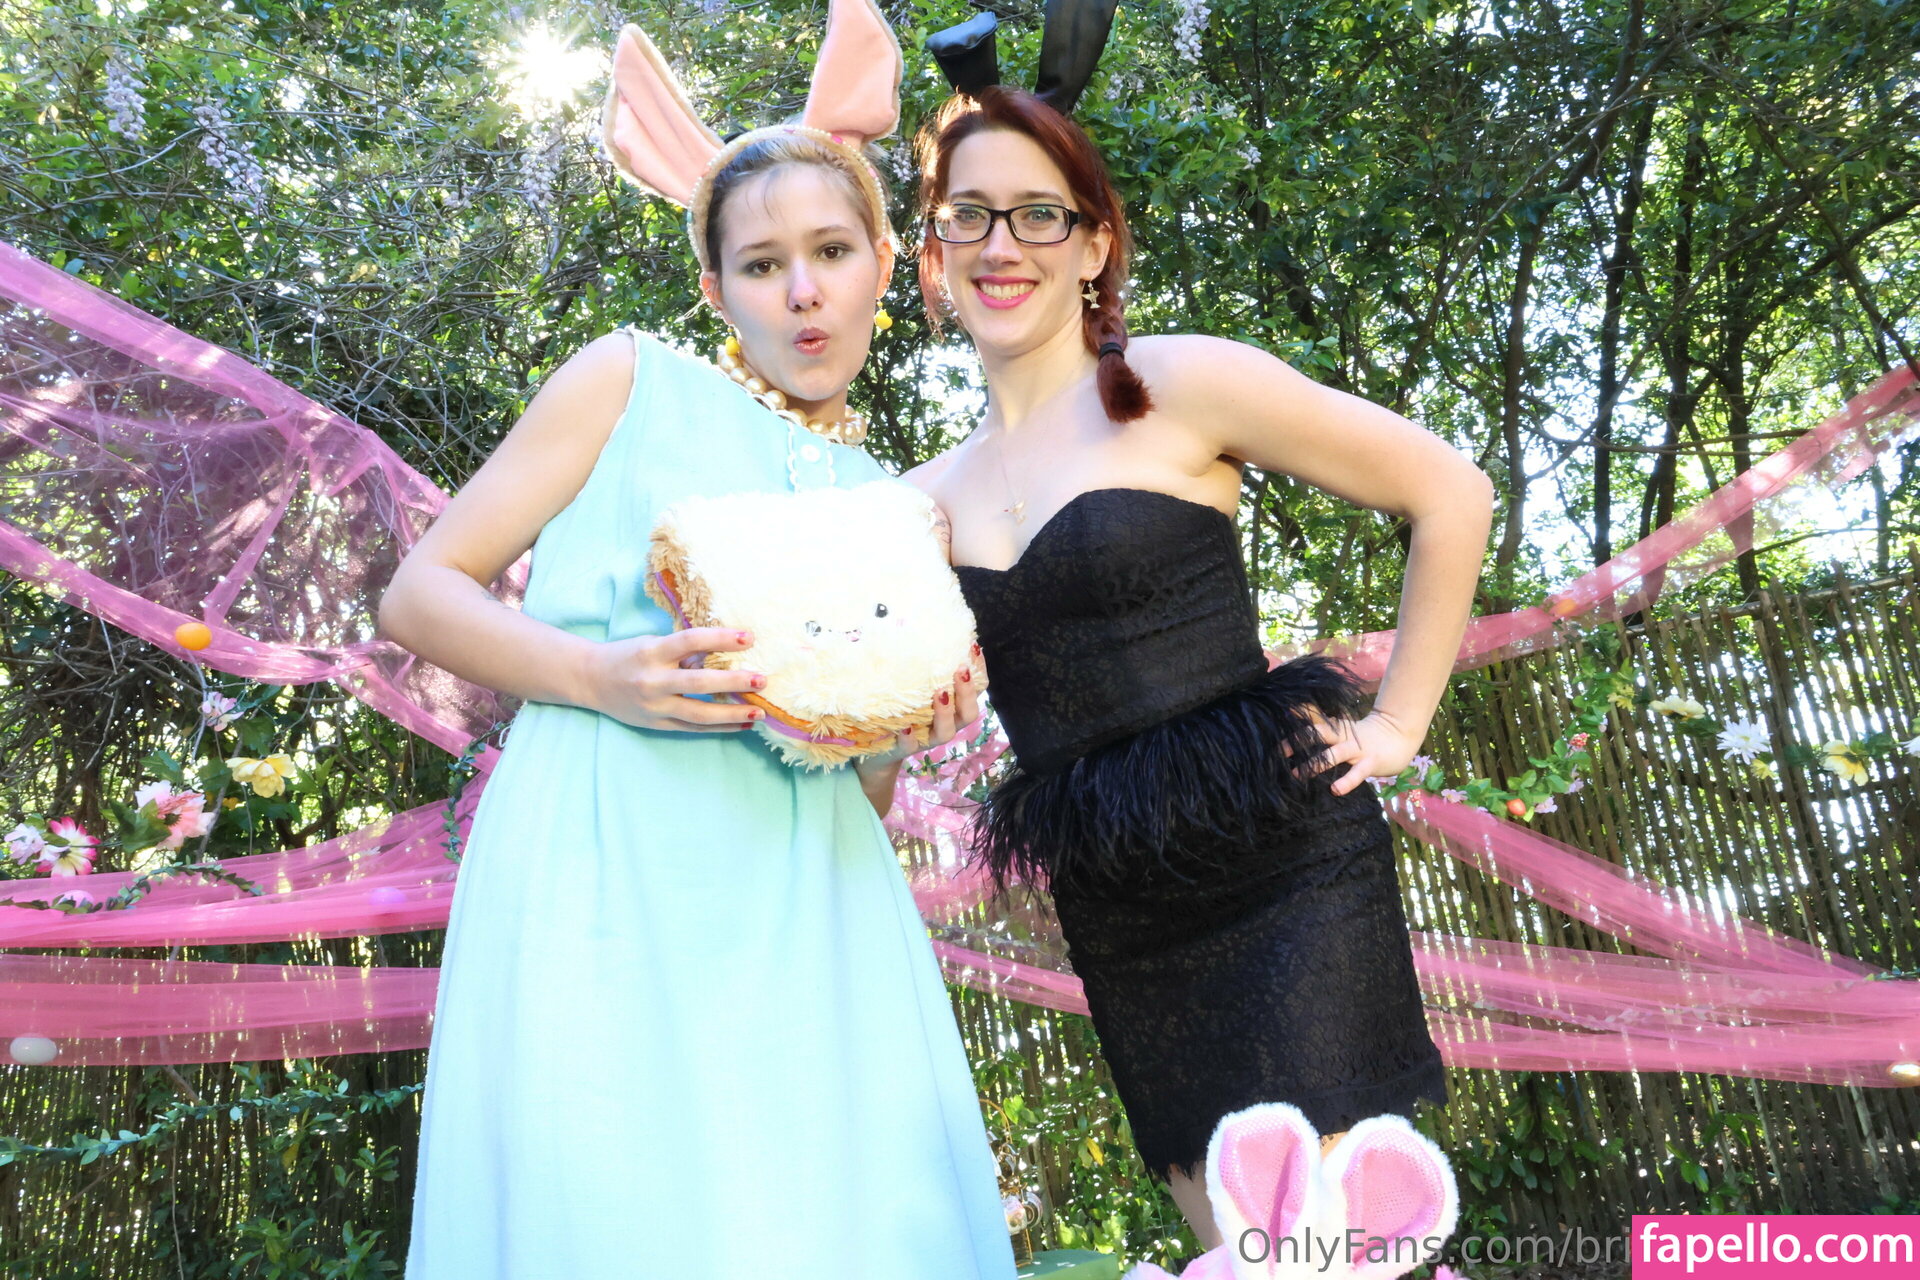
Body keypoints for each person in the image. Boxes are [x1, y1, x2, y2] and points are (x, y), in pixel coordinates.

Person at [380, 5, 1012, 1275]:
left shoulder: (896, 504)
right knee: (622, 1200)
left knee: (826, 1212)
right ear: (716, 287)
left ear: (885, 262)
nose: (803, 288)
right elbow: (419, 594)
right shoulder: (626, 379)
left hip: (809, 885)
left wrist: (903, 730)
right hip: (607, 853)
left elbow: (855, 776)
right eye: (762, 262)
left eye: (831, 250)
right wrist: (597, 674)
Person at [903, 84, 1494, 1251]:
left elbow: (1451, 492)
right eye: (969, 215)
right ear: (934, 249)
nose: (1000, 244)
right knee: (1234, 1241)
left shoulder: (1183, 383)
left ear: (1094, 244)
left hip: (1286, 867)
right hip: (1123, 912)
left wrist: (1395, 727)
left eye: (1038, 213)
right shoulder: (917, 501)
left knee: (1330, 1247)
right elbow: (891, 725)